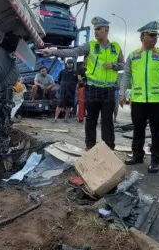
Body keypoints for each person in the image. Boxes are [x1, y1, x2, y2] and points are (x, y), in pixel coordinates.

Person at [36, 17, 124, 150]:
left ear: (107, 30)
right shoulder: (91, 45)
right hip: (93, 88)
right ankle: (90, 147)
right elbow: (73, 51)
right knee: (91, 120)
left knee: (107, 121)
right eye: (95, 29)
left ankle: (108, 149)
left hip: (109, 90)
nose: (96, 31)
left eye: (99, 29)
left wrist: (114, 65)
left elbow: (123, 65)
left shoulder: (116, 47)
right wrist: (52, 51)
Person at [119, 21, 159, 173]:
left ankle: (156, 160)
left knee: (157, 131)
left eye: (156, 35)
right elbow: (126, 77)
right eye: (151, 35)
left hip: (157, 101)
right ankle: (137, 155)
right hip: (138, 100)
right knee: (138, 129)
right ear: (142, 37)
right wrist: (122, 93)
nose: (154, 38)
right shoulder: (133, 56)